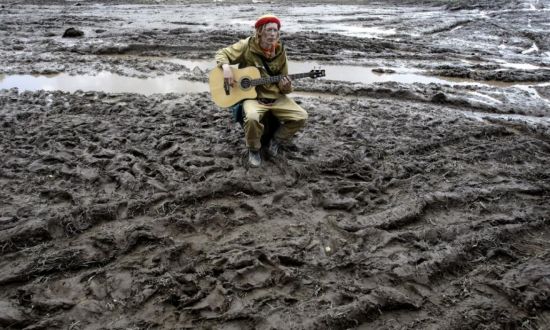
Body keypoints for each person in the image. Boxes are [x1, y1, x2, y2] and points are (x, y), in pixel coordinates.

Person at [214, 14, 308, 167]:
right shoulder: (247, 45)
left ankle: (276, 141)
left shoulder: (280, 51)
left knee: (301, 116)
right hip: (253, 98)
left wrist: (286, 87)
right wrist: (226, 68)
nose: (273, 34)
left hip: (275, 97)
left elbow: (284, 81)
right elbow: (221, 53)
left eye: (275, 31)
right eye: (269, 30)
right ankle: (253, 149)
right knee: (251, 118)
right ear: (260, 31)